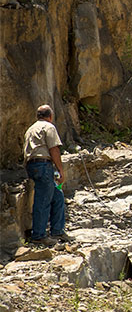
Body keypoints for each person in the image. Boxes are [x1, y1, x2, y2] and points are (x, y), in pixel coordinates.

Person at [24, 104, 69, 247]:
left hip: (32, 165)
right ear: (50, 116)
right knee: (43, 200)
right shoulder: (49, 127)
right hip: (44, 165)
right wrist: (60, 170)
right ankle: (38, 235)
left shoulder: (30, 129)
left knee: (57, 195)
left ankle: (57, 230)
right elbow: (53, 149)